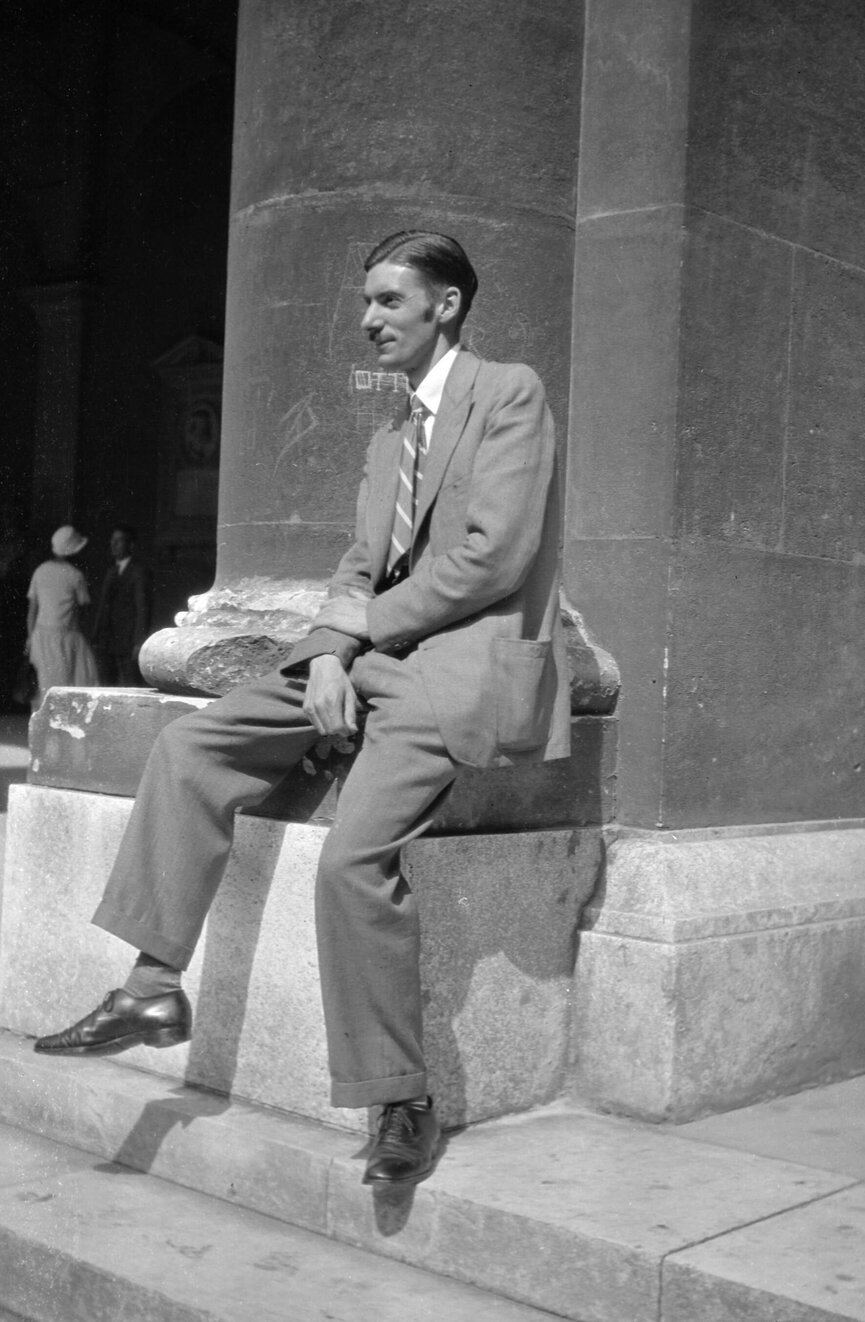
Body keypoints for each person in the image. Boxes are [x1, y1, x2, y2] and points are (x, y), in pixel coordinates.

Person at [32, 230, 570, 1187]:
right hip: (363, 662)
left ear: (446, 306)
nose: (368, 320)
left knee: (352, 862)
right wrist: (329, 649)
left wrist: (357, 636)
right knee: (191, 747)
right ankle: (153, 990)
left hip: (454, 673)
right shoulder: (388, 436)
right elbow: (358, 566)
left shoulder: (509, 393)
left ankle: (402, 1099)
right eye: (366, 303)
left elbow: (492, 556)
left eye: (390, 302)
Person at [26, 525, 100, 707]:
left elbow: (32, 610)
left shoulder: (40, 570)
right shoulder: (75, 576)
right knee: (72, 682)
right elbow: (83, 608)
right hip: (66, 638)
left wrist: (30, 637)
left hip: (40, 636)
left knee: (45, 684)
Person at [93, 524, 151, 686]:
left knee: (131, 685)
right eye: (112, 541)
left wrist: (139, 641)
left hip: (128, 641)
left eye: (119, 541)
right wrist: (97, 636)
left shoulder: (138, 571)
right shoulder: (111, 571)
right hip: (107, 640)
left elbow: (142, 607)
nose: (113, 545)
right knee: (106, 685)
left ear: (130, 545)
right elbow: (103, 606)